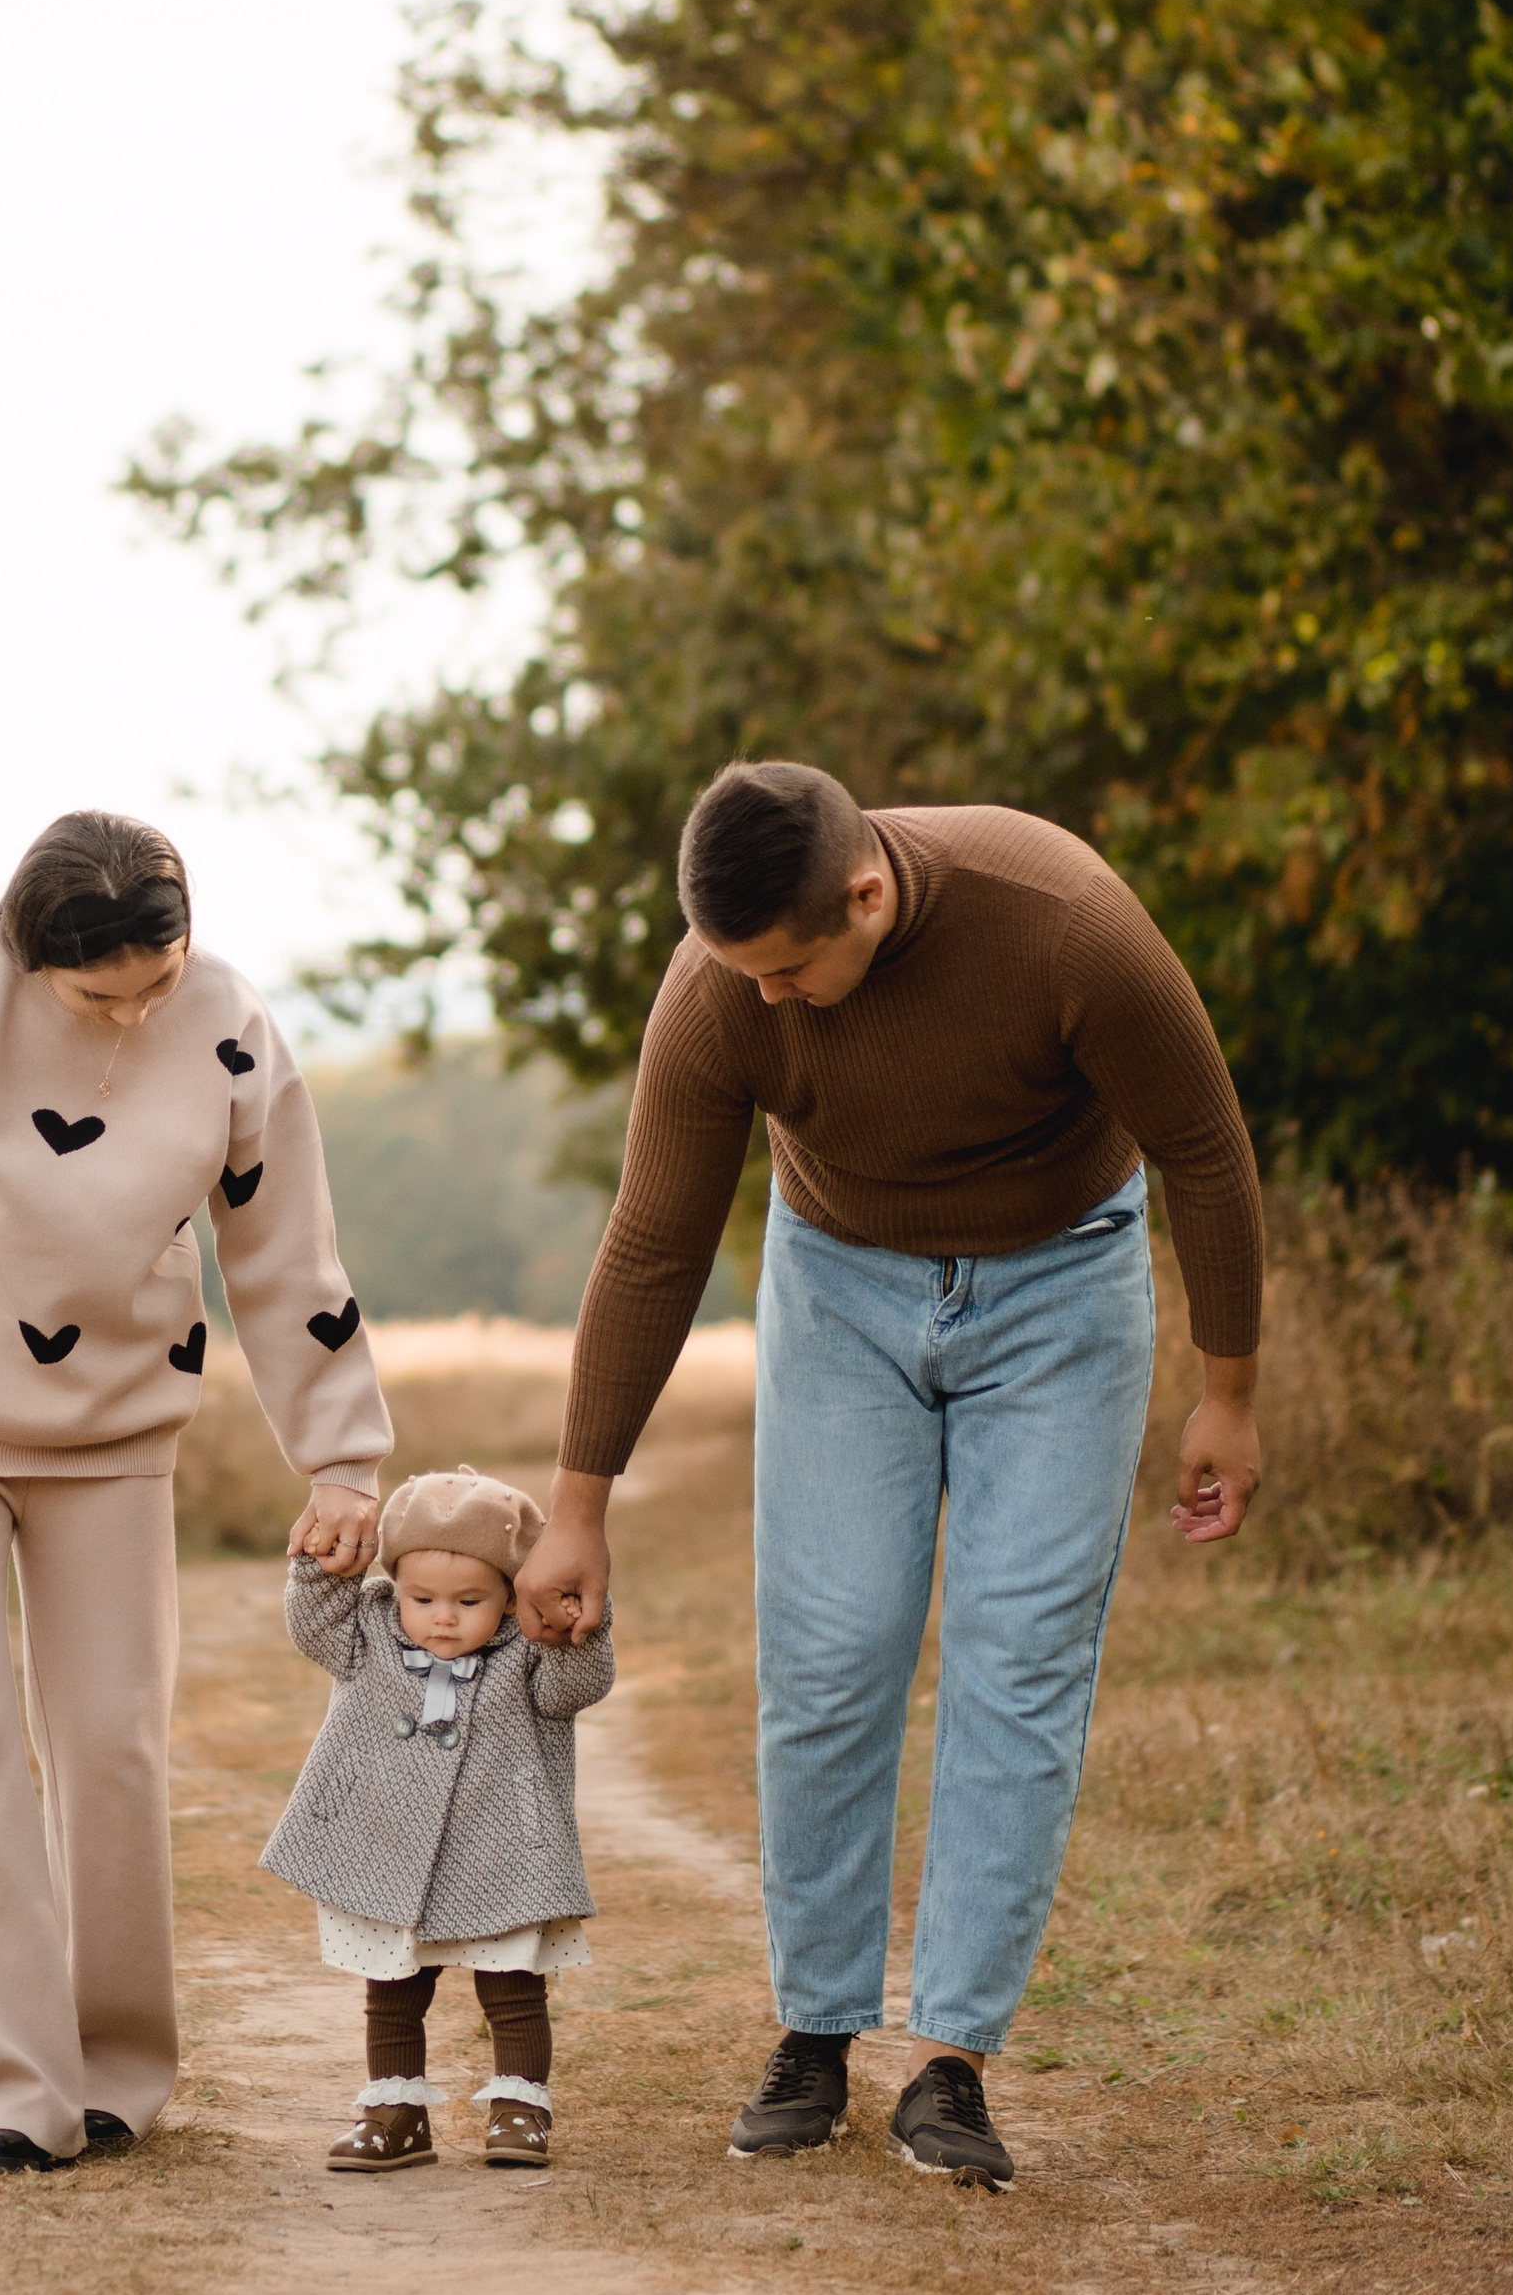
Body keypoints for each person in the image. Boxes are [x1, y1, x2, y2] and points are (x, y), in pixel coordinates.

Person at [512, 764, 1264, 2191]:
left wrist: (1229, 1390)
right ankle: (815, 2026)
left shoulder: (1065, 921)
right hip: (841, 1286)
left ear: (867, 892)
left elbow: (1207, 1150)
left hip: (1062, 1281)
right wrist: (580, 1502)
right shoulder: (720, 989)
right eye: (747, 974)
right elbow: (656, 1238)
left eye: (793, 969)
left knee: (1018, 1652)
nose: (771, 999)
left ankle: (953, 2059)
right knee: (834, 1646)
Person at [0, 808, 390, 2173]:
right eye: (95, 992)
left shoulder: (229, 1022)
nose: (128, 1013)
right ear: (26, 949)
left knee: (111, 1746)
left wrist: (341, 1454)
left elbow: (287, 1249)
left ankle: (113, 2067)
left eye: (151, 985)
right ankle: (4, 2088)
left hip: (117, 1431)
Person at [261, 1463, 615, 2174]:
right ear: (396, 1585)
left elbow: (579, 1683)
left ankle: (521, 2105)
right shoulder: (368, 1632)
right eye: (422, 1597)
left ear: (514, 1595)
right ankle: (395, 2112)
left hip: (504, 1850)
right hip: (384, 1843)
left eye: (470, 1599)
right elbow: (313, 1622)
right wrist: (323, 1564)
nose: (443, 1616)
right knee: (391, 1989)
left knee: (513, 1987)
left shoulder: (528, 1652)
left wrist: (577, 1615)